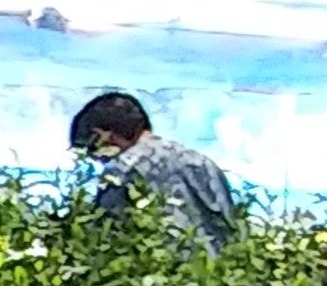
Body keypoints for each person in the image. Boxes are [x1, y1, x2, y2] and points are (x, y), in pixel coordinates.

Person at [67, 90, 238, 249]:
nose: (97, 159)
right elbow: (232, 228)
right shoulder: (202, 162)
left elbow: (104, 240)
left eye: (91, 150)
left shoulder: (121, 171)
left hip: (162, 275)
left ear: (103, 136)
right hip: (221, 276)